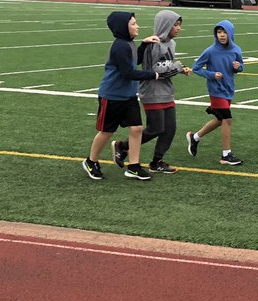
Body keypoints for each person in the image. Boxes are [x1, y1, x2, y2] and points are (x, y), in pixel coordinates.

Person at [82, 12, 162, 182]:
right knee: (107, 131)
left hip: (128, 96)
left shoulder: (129, 43)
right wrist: (153, 75)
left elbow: (135, 60)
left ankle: (133, 167)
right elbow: (127, 72)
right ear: (123, 27)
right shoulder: (119, 46)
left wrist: (143, 45)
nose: (137, 26)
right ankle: (91, 162)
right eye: (133, 23)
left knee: (136, 128)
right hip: (112, 96)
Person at [118, 9, 191, 175]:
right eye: (175, 25)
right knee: (156, 128)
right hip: (152, 92)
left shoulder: (171, 43)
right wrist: (176, 66)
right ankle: (123, 146)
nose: (178, 28)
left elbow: (167, 65)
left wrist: (179, 69)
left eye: (180, 25)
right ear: (165, 25)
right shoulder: (154, 44)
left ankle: (157, 161)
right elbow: (154, 70)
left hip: (166, 91)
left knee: (170, 128)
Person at [188, 19, 245, 166]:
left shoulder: (236, 50)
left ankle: (195, 137)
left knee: (220, 120)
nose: (222, 35)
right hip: (216, 90)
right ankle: (226, 154)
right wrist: (212, 75)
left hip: (228, 89)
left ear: (230, 33)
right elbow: (197, 68)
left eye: (224, 32)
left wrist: (238, 67)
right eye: (219, 32)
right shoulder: (210, 51)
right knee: (227, 119)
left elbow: (240, 67)